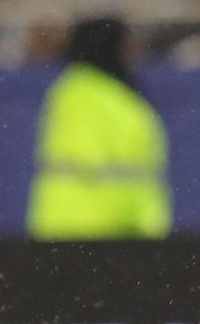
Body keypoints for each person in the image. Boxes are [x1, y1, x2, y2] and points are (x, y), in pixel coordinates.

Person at [27, 17, 171, 240]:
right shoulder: (111, 100)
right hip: (105, 233)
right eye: (125, 45)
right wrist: (149, 226)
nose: (132, 54)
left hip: (61, 230)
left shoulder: (70, 91)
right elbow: (128, 173)